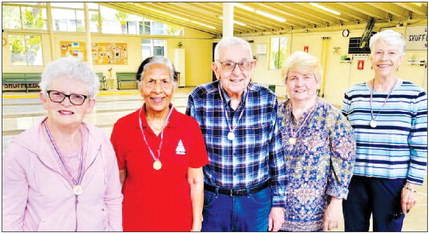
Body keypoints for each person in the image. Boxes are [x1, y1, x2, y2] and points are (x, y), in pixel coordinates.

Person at [3, 57, 123, 231]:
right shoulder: (22, 150)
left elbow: (112, 199)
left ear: (90, 105)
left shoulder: (101, 141)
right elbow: (10, 216)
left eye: (77, 97)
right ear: (44, 98)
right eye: (57, 94)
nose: (66, 102)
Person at [186, 37, 287, 232]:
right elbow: (190, 160)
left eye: (244, 64)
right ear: (216, 68)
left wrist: (278, 205)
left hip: (256, 201)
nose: (237, 72)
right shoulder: (199, 98)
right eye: (228, 65)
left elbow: (277, 157)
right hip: (213, 201)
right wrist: (193, 208)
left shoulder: (267, 99)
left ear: (253, 66)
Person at [342, 29, 427, 231]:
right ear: (371, 57)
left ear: (401, 59)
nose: (384, 58)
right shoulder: (353, 94)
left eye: (391, 53)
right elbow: (341, 142)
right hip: (354, 181)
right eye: (379, 52)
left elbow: (420, 146)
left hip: (393, 182)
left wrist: (411, 187)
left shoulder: (415, 95)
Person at [110, 56, 209, 231]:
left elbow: (195, 181)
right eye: (150, 82)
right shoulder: (123, 128)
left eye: (164, 81)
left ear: (174, 86)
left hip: (179, 223)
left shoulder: (189, 127)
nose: (157, 90)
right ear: (140, 87)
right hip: (133, 223)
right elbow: (117, 181)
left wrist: (196, 225)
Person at [277, 51, 356, 231]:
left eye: (306, 77)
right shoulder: (274, 113)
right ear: (286, 82)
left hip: (313, 214)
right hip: (274, 210)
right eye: (293, 78)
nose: (300, 84)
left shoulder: (333, 117)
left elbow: (344, 163)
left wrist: (335, 203)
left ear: (317, 82)